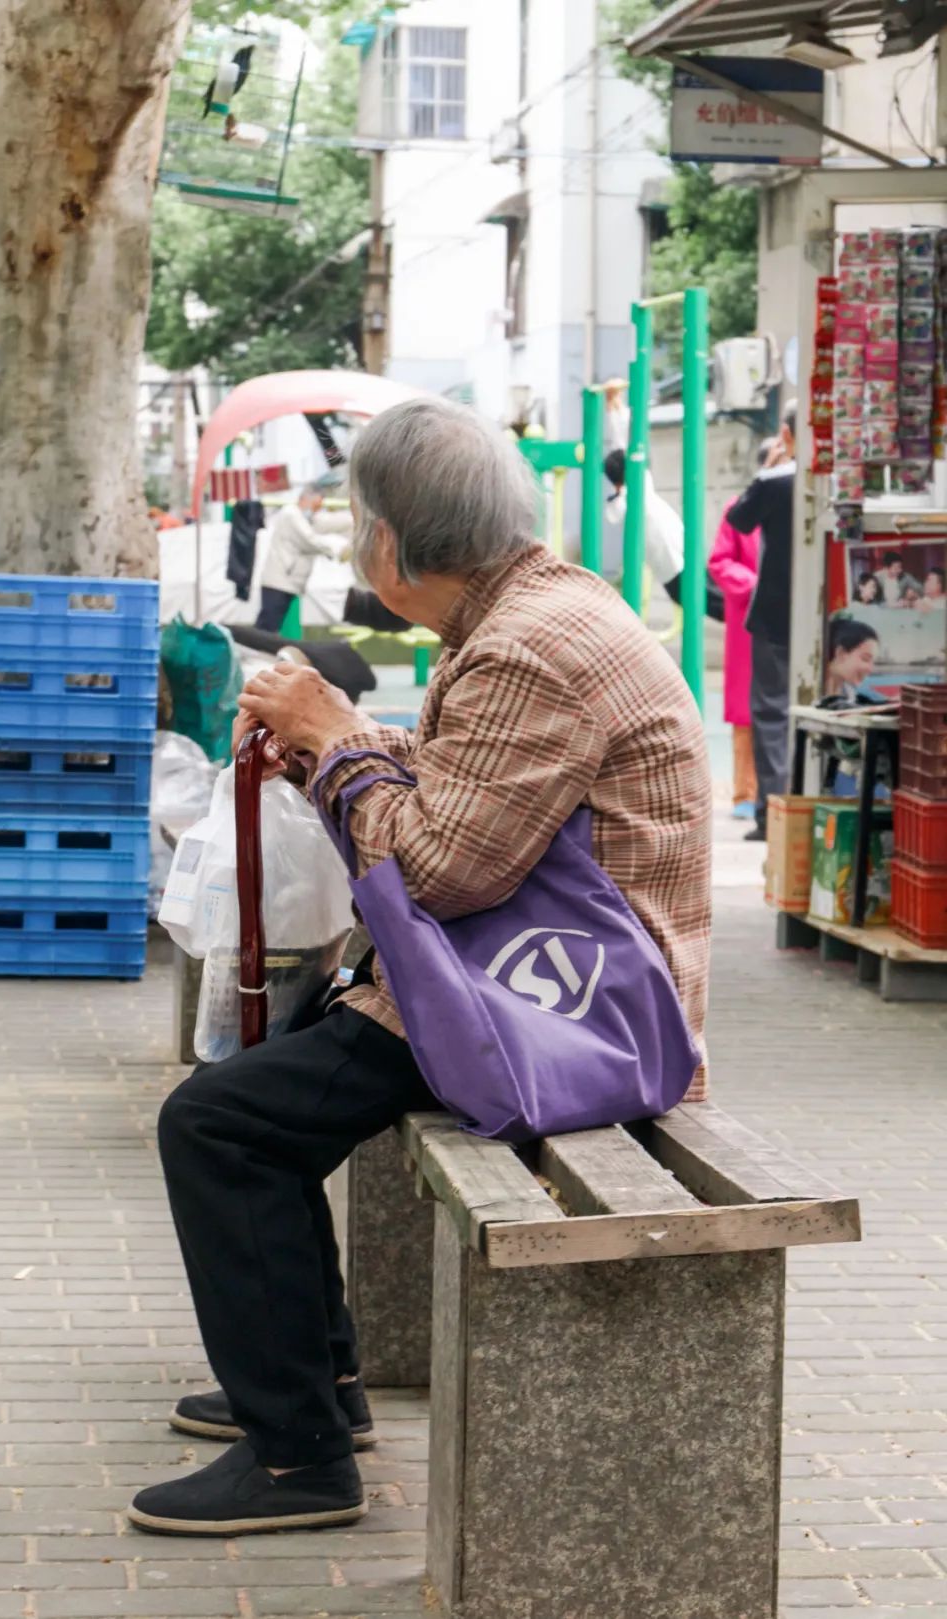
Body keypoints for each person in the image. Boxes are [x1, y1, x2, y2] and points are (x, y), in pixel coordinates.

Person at [130, 397, 713, 1540]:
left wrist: (336, 733)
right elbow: (464, 784)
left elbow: (441, 868)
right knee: (275, 1078)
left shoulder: (528, 649)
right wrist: (324, 740)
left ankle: (298, 1457)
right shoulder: (534, 613)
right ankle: (316, 1390)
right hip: (522, 980)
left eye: (359, 523)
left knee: (218, 1123)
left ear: (390, 539)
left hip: (558, 1014)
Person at [726, 400, 798, 842]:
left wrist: (767, 466)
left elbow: (739, 518)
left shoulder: (775, 481)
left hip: (774, 614)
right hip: (827, 614)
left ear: (785, 436)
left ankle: (773, 815)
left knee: (771, 713)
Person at [709, 443, 769, 820]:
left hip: (777, 618)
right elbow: (719, 561)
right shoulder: (738, 510)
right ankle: (745, 793)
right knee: (746, 711)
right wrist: (759, 584)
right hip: (749, 621)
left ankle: (770, 793)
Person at [603, 448, 723, 621]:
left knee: (725, 604)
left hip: (678, 565)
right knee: (725, 606)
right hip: (677, 567)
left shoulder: (628, 499)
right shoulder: (632, 497)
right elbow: (639, 468)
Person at [256, 485, 352, 632]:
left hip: (288, 581)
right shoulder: (291, 514)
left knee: (271, 626)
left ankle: (257, 652)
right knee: (267, 626)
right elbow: (309, 540)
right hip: (278, 581)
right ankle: (254, 652)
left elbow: (330, 523)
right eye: (316, 505)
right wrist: (338, 549)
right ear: (305, 499)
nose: (317, 510)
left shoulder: (305, 518)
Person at [825, 618, 879, 700]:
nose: (870, 669)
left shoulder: (849, 694)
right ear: (840, 653)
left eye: (873, 662)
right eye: (865, 659)